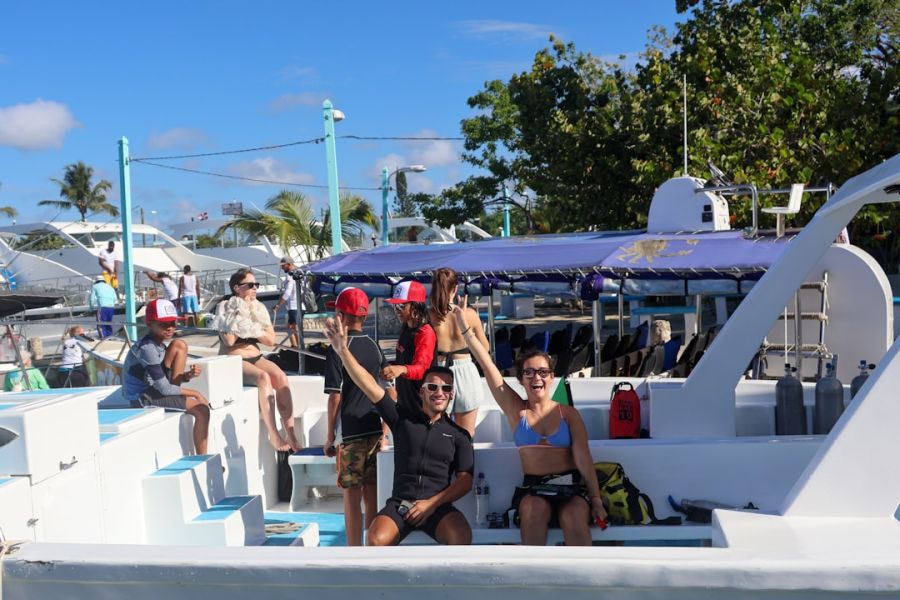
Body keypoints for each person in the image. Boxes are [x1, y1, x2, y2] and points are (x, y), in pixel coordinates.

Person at [452, 295, 608, 546]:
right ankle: (534, 581)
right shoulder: (517, 411)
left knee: (575, 516)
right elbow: (487, 365)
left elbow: (583, 458)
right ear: (521, 379)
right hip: (534, 489)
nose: (537, 377)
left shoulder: (568, 414)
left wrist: (596, 499)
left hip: (570, 487)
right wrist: (465, 329)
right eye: (529, 372)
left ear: (551, 377)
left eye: (543, 372)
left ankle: (578, 581)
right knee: (533, 512)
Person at [324, 316, 473, 546]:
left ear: (452, 394)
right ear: (422, 392)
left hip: (437, 507)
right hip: (401, 506)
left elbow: (465, 482)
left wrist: (431, 504)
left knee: (461, 536)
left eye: (446, 388)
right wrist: (343, 351)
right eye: (432, 387)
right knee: (375, 538)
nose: (439, 392)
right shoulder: (401, 419)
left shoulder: (459, 436)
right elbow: (368, 384)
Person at [323, 287, 386, 546]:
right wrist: (385, 429)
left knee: (351, 494)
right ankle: (371, 545)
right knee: (371, 492)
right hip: (373, 427)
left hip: (349, 431)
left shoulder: (338, 348)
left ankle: (352, 549)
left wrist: (329, 436)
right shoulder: (374, 346)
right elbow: (385, 390)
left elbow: (335, 396)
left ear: (342, 315)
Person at [215, 268, 300, 452]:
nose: (255, 289)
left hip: (255, 355)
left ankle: (291, 435)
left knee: (281, 377)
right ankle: (274, 435)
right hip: (233, 359)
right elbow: (229, 341)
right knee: (263, 378)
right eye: (251, 285)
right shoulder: (225, 306)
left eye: (256, 285)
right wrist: (240, 315)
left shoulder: (259, 308)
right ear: (237, 288)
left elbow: (270, 341)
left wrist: (252, 327)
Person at [122, 299, 210, 454]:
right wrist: (196, 394)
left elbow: (159, 380)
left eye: (173, 323)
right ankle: (203, 459)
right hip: (142, 397)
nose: (170, 328)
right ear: (149, 324)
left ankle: (179, 399)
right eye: (164, 324)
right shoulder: (148, 348)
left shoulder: (159, 344)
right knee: (202, 410)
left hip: (153, 390)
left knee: (179, 345)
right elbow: (163, 387)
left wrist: (186, 376)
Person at [428, 267, 488, 438]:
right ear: (455, 288)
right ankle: (466, 465)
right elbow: (485, 349)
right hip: (466, 372)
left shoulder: (429, 316)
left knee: (437, 435)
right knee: (466, 435)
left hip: (438, 374)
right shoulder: (469, 314)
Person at [383, 281, 436, 415]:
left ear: (415, 306)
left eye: (401, 305)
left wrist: (400, 369)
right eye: (395, 305)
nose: (397, 310)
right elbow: (403, 362)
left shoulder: (425, 332)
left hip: (422, 407)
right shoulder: (406, 328)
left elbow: (422, 369)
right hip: (406, 403)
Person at [272, 257, 298, 348]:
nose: (282, 268)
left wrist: (278, 306)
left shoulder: (290, 276)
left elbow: (287, 293)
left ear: (289, 264)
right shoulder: (300, 274)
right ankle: (299, 347)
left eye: (283, 266)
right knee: (294, 329)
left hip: (293, 307)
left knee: (290, 329)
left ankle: (295, 348)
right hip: (300, 306)